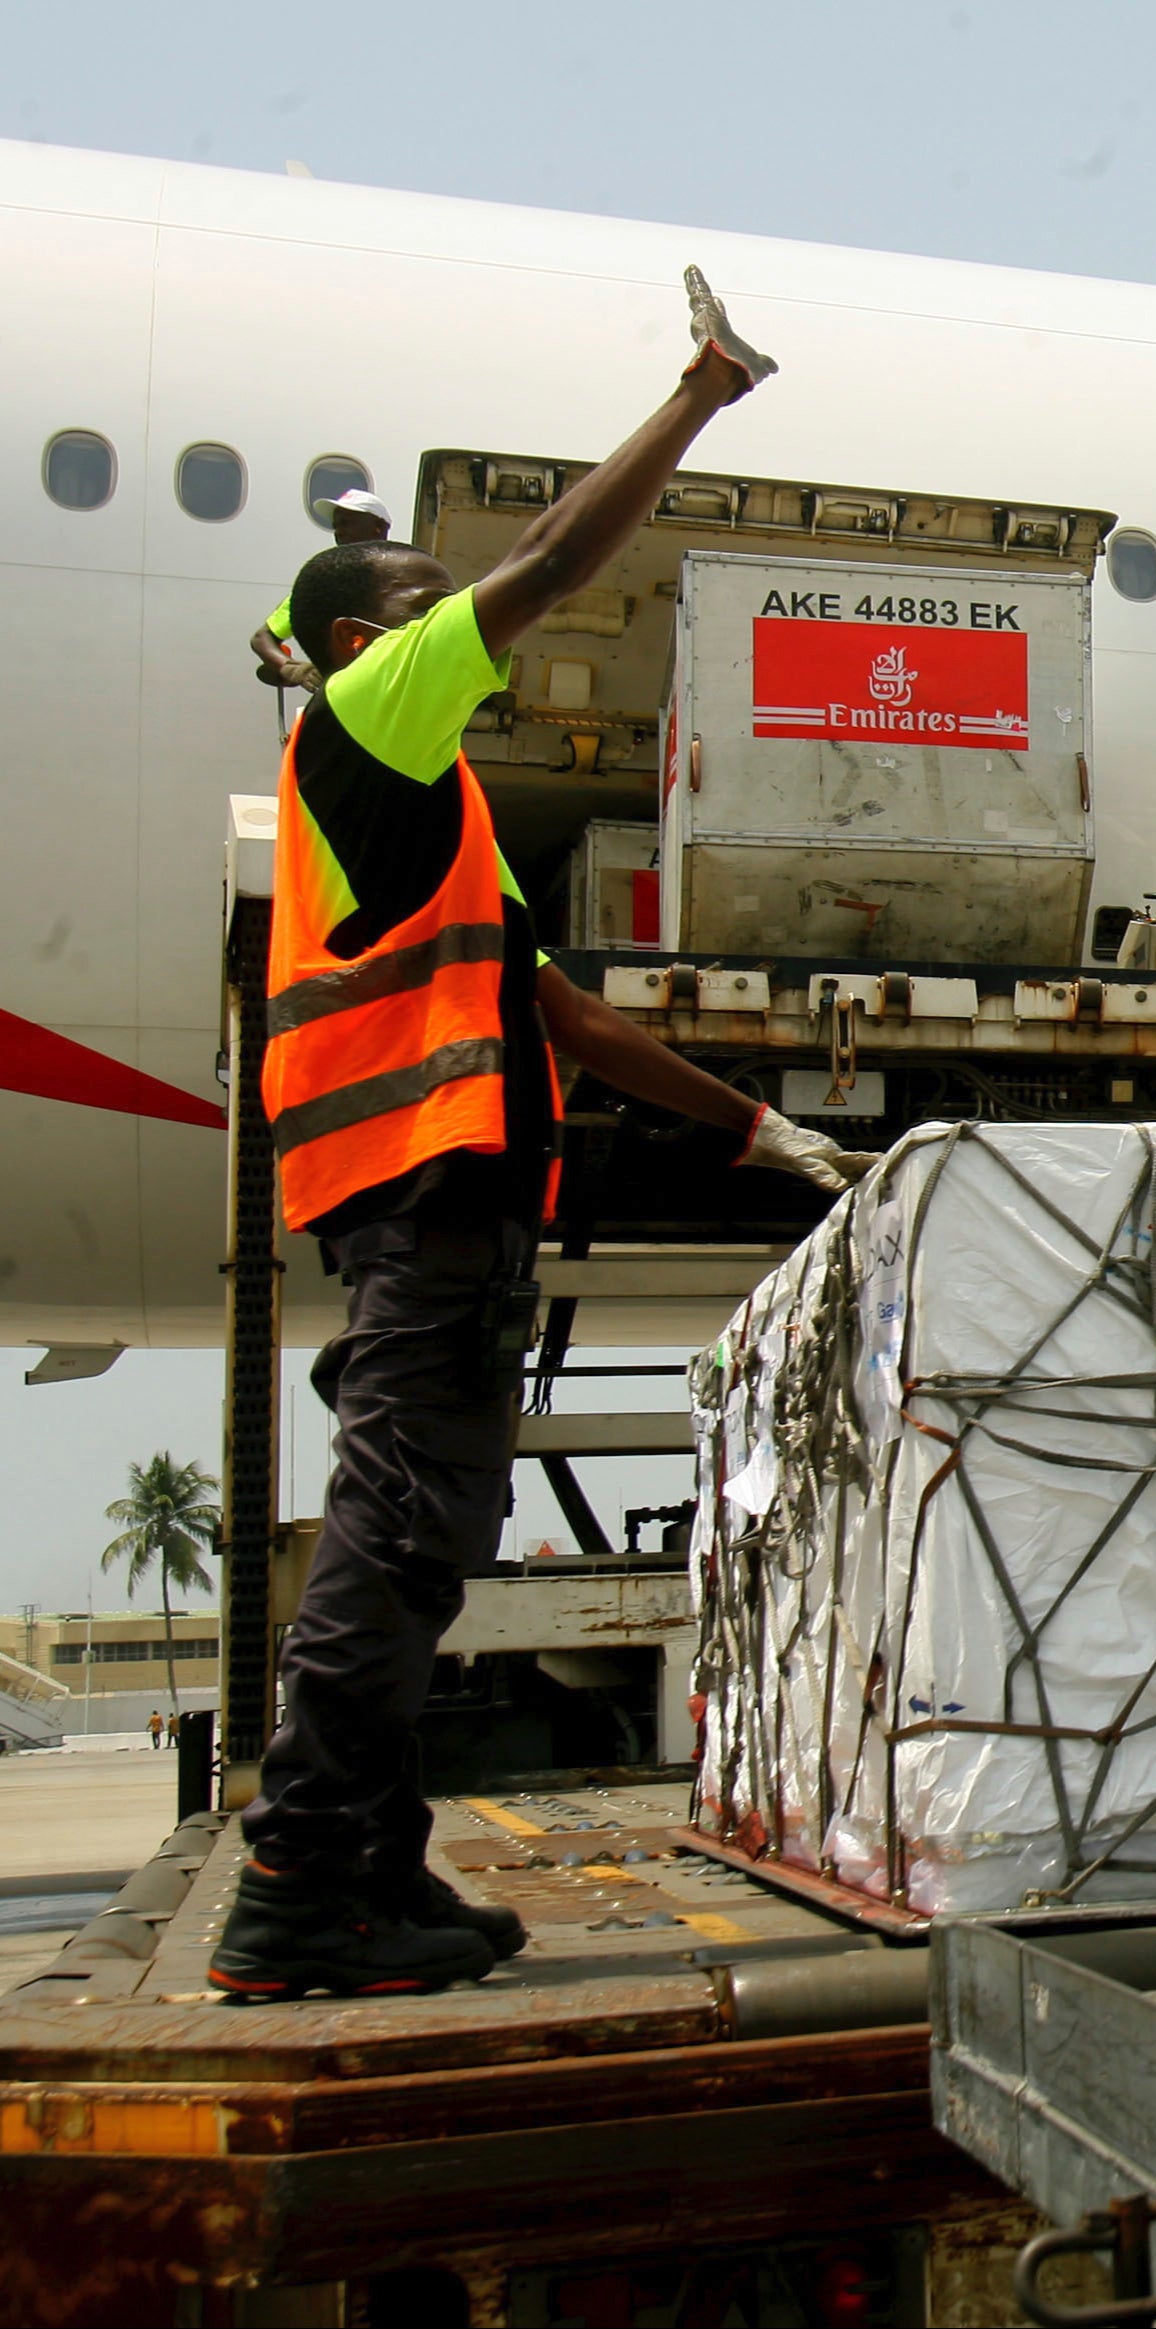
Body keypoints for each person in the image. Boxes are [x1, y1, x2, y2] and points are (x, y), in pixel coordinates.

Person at [211, 270, 874, 2002]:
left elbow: (556, 1013)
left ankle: (376, 1866)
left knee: (431, 1529)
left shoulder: (442, 814)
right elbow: (560, 564)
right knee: (400, 1532)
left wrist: (764, 1136)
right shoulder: (365, 723)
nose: (464, 626)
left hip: (448, 1200)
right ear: (365, 648)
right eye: (428, 609)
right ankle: (296, 1890)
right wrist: (697, 396)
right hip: (416, 1194)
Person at [252, 487, 397, 691]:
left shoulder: (406, 577)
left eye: (347, 523)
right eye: (336, 525)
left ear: (379, 528)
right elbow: (262, 638)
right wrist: (293, 670)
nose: (339, 532)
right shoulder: (324, 581)